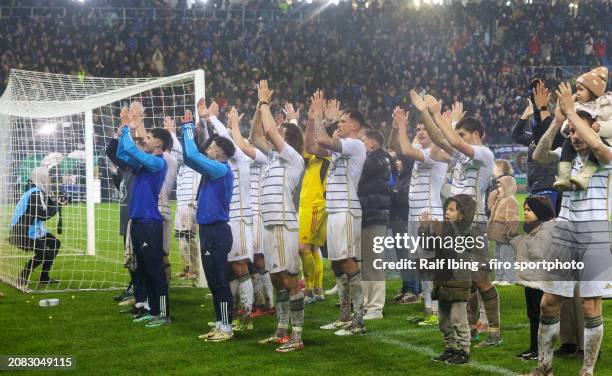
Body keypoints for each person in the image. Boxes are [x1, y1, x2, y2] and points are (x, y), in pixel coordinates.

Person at [526, 83, 612, 376]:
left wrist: (570, 112)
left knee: (590, 306)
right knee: (549, 304)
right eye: (572, 132)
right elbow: (538, 155)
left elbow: (598, 146)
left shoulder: (606, 153)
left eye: (580, 130)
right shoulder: (567, 158)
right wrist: (560, 121)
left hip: (595, 236)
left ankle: (587, 371)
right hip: (564, 233)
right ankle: (544, 367)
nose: (575, 136)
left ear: (594, 127)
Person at [412, 91, 502, 347]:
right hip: (455, 225)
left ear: (477, 135)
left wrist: (437, 113)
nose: (458, 140)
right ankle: (472, 328)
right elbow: (440, 139)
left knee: (481, 279)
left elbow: (451, 140)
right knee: (464, 280)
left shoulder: (483, 153)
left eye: (463, 135)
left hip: (474, 224)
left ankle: (495, 331)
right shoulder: (461, 158)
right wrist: (427, 114)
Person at [251, 80, 306, 352]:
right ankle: (281, 330)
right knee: (274, 278)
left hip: (284, 223)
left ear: (289, 139)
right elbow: (256, 135)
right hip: (269, 223)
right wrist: (258, 107)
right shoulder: (273, 158)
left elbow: (270, 131)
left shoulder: (294, 158)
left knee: (288, 279)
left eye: (283, 131)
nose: (276, 132)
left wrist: (265, 103)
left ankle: (297, 335)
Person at [309, 90, 367, 336]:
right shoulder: (342, 148)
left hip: (346, 209)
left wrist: (322, 117)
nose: (340, 124)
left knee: (348, 261)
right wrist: (314, 118)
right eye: (339, 121)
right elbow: (311, 145)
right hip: (334, 210)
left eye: (343, 121)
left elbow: (323, 140)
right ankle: (344, 316)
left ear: (354, 125)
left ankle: (359, 320)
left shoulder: (355, 144)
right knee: (337, 263)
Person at [179, 109, 236, 342]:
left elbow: (192, 156)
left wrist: (188, 128)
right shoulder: (214, 170)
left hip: (217, 230)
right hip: (208, 230)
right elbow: (189, 157)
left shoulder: (221, 169)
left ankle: (227, 329)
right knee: (213, 280)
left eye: (211, 147)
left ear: (219, 152)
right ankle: (220, 324)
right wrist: (189, 136)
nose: (208, 150)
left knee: (220, 280)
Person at [200, 99, 256, 331]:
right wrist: (208, 119)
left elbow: (228, 142)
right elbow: (221, 141)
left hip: (240, 218)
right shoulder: (220, 162)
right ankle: (229, 314)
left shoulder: (241, 161)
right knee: (227, 269)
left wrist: (221, 121)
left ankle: (247, 317)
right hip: (226, 219)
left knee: (240, 267)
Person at [390, 106, 450, 323]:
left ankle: (436, 308)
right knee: (420, 263)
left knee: (430, 264)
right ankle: (428, 307)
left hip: (429, 213)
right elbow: (396, 147)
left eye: (425, 129)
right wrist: (397, 128)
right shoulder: (419, 148)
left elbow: (406, 151)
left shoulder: (434, 152)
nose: (422, 132)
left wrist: (404, 128)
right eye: (418, 129)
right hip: (414, 215)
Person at [115, 105, 172, 328]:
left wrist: (130, 128)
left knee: (154, 270)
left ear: (158, 143)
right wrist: (122, 131)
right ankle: (151, 308)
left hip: (150, 222)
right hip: (138, 221)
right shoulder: (144, 162)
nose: (145, 138)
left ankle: (164, 314)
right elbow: (122, 153)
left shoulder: (158, 162)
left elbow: (133, 150)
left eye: (148, 137)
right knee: (143, 268)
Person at [420, 194, 479, 366]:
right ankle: (450, 348)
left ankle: (464, 351)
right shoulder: (445, 229)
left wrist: (441, 239)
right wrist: (424, 229)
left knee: (458, 319)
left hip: (458, 283)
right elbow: (427, 245)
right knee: (443, 320)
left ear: (462, 215)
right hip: (443, 281)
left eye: (452, 210)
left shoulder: (467, 233)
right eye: (447, 209)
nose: (447, 212)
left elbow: (456, 256)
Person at [509, 195, 555, 361]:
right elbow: (523, 249)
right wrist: (513, 236)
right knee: (533, 315)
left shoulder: (545, 230)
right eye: (525, 210)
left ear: (540, 211)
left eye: (529, 210)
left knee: (539, 316)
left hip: (539, 281)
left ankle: (541, 350)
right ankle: (533, 348)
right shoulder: (534, 228)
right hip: (530, 280)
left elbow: (539, 254)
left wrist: (528, 238)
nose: (525, 213)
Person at [300, 100, 336, 304]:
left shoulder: (326, 153)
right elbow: (307, 144)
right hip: (310, 203)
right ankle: (317, 290)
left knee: (303, 248)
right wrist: (311, 119)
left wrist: (314, 118)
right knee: (312, 249)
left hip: (315, 205)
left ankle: (309, 291)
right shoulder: (316, 155)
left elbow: (308, 144)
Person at [553, 67, 610, 191]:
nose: (577, 93)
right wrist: (567, 128)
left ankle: (585, 175)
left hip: (598, 140)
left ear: (592, 90)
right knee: (566, 144)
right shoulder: (576, 107)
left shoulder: (605, 105)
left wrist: (600, 127)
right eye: (576, 89)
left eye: (581, 89)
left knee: (598, 146)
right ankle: (564, 176)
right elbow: (567, 123)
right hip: (581, 140)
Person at [11, 166, 68, 286]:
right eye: (47, 177)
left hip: (32, 230)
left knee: (55, 243)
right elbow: (44, 215)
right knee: (43, 253)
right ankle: (22, 277)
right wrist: (58, 205)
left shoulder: (36, 191)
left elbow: (50, 204)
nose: (49, 180)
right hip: (22, 232)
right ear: (41, 178)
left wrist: (60, 201)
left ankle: (44, 276)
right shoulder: (35, 193)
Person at [359, 129, 392, 320]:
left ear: (372, 143)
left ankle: (376, 307)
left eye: (363, 141)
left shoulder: (381, 159)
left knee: (374, 262)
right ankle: (366, 302)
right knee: (366, 262)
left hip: (376, 216)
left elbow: (363, 168)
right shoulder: (373, 158)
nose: (360, 145)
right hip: (367, 215)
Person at [166, 116, 201, 280]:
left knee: (189, 236)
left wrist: (172, 133)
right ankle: (186, 267)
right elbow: (175, 152)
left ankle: (194, 269)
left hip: (190, 202)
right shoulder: (181, 161)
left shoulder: (194, 157)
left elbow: (180, 150)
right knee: (181, 235)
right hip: (181, 203)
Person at [487, 175, 519, 285]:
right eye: (498, 187)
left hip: (505, 236)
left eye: (501, 187)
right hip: (498, 236)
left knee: (507, 258)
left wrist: (511, 232)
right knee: (498, 257)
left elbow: (512, 218)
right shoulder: (501, 199)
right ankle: (499, 277)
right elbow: (491, 209)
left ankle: (509, 279)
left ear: (508, 187)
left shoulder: (510, 200)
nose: (498, 189)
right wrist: (492, 196)